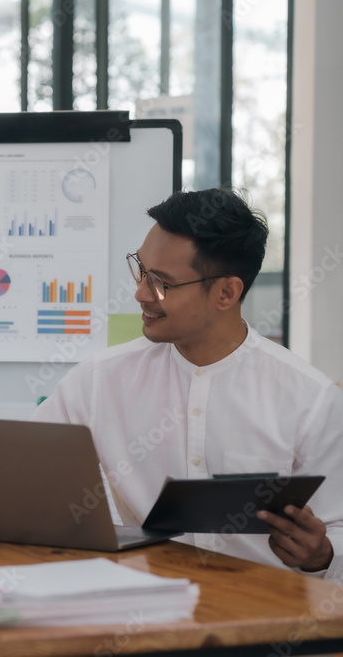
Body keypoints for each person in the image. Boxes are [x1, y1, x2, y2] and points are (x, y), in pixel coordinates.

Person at [34, 188, 343, 580]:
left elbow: (336, 531)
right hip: (140, 611)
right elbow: (24, 475)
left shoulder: (310, 400)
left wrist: (321, 555)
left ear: (226, 293)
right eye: (141, 271)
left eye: (161, 282)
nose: (141, 293)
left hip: (266, 620)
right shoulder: (98, 381)